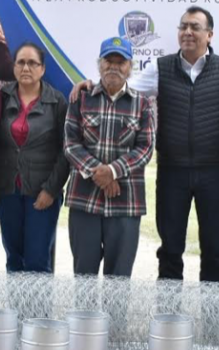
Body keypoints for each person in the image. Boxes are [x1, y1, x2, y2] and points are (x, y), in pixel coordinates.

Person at [72, 6, 219, 283]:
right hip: (172, 173)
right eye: (183, 27)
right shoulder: (160, 68)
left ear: (210, 35)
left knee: (214, 251)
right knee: (170, 250)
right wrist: (91, 84)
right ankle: (169, 323)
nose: (187, 32)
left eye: (195, 27)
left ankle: (215, 322)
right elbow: (119, 88)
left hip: (213, 172)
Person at [64, 37, 156, 276]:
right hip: (84, 201)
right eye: (109, 61)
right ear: (99, 65)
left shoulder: (143, 104)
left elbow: (145, 148)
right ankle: (85, 316)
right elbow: (70, 144)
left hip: (126, 203)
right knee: (84, 275)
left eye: (121, 62)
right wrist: (100, 173)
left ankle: (114, 317)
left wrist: (113, 171)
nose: (114, 67)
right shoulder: (80, 98)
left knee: (119, 279)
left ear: (130, 67)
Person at [0, 42, 70, 273]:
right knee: (14, 258)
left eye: (32, 63)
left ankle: (38, 311)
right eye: (21, 62)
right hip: (6, 189)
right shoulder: (0, 98)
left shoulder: (57, 101)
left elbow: (66, 150)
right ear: (13, 67)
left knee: (36, 261)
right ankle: (16, 310)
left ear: (42, 69)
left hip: (42, 192)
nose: (26, 68)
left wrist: (51, 190)